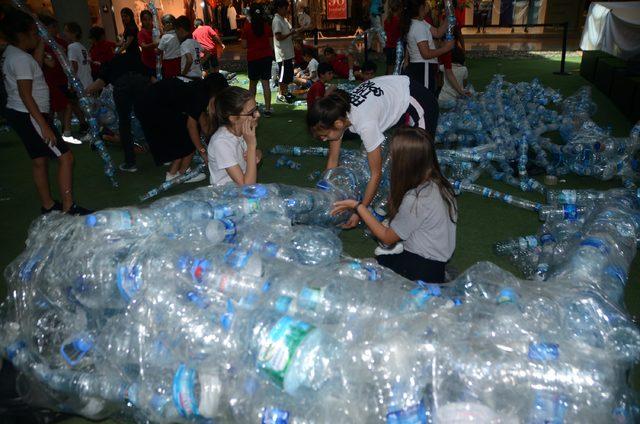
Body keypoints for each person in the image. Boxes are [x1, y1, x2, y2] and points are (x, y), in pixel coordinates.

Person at [307, 75, 437, 228]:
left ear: (338, 123)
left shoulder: (365, 124)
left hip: (417, 99)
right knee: (401, 160)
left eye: (325, 135)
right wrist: (325, 195)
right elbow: (332, 161)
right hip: (393, 92)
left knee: (419, 162)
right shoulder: (338, 113)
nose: (324, 140)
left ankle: (425, 209)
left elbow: (376, 174)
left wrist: (359, 211)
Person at [332, 127, 457, 283]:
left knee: (357, 272)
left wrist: (358, 207)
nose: (389, 159)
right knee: (381, 259)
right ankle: (439, 275)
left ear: (405, 161)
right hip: (435, 261)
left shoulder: (417, 198)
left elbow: (387, 238)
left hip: (420, 267)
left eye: (393, 156)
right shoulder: (440, 185)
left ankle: (429, 283)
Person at [0, 6, 90, 215]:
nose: (36, 35)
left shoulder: (14, 54)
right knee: (66, 158)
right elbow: (25, 94)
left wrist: (41, 42)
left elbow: (36, 67)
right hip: (30, 114)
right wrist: (44, 126)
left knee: (39, 161)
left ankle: (48, 205)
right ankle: (69, 207)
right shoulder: (20, 58)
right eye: (33, 33)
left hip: (21, 113)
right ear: (21, 35)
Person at [135, 73, 228, 182]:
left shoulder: (198, 86)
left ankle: (175, 173)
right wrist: (202, 151)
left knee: (186, 138)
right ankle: (181, 174)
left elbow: (202, 120)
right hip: (151, 108)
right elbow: (191, 127)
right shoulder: (200, 96)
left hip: (146, 101)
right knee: (189, 139)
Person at [86, 50, 153, 172]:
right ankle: (162, 154)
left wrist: (85, 92)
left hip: (122, 87)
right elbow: (150, 76)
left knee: (124, 123)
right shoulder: (133, 60)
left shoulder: (109, 64)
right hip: (142, 84)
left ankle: (130, 163)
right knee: (148, 118)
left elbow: (100, 83)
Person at [208, 86, 262, 186]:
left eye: (256, 108)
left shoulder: (243, 132)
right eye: (252, 112)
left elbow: (253, 155)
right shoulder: (221, 142)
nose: (258, 114)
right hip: (226, 196)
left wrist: (257, 153)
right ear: (233, 118)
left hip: (239, 190)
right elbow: (247, 187)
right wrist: (251, 146)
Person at [400, 0, 454, 93]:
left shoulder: (421, 22)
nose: (428, 5)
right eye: (426, 3)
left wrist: (449, 17)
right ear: (421, 7)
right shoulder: (418, 27)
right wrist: (446, 48)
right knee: (426, 98)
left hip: (423, 67)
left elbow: (437, 33)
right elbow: (426, 54)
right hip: (423, 67)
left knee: (426, 97)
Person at [38, 15, 75, 144]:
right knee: (63, 107)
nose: (55, 29)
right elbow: (50, 63)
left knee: (62, 108)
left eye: (55, 26)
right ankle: (65, 133)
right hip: (49, 82)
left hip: (63, 80)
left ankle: (61, 133)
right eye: (53, 26)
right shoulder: (40, 44)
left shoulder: (61, 43)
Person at [241, 4, 273, 117]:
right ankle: (268, 110)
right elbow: (271, 44)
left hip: (253, 58)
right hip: (266, 57)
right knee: (266, 84)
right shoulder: (267, 26)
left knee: (252, 85)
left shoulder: (247, 27)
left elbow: (244, 45)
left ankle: (251, 110)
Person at [272, 0, 300, 103]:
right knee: (283, 76)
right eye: (285, 8)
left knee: (287, 75)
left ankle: (285, 93)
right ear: (279, 8)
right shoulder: (277, 20)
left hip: (287, 52)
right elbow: (278, 37)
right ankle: (280, 94)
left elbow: (291, 31)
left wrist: (300, 30)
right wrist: (290, 34)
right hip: (282, 53)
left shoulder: (283, 19)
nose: (286, 10)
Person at [64, 22, 93, 90]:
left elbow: (74, 66)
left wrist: (71, 84)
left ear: (73, 33)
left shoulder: (72, 46)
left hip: (81, 85)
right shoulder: (82, 47)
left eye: (66, 31)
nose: (64, 33)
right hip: (88, 83)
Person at [174, 15, 202, 80]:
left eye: (176, 31)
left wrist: (183, 75)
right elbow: (207, 52)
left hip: (189, 77)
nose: (176, 34)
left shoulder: (184, 44)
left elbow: (189, 60)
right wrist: (198, 62)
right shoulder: (195, 42)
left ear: (180, 30)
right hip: (198, 75)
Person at [157, 14, 182, 78]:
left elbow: (159, 51)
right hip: (179, 59)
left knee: (170, 79)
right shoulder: (179, 34)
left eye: (163, 24)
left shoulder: (164, 37)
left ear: (169, 24)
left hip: (169, 62)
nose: (163, 27)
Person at [383, 0, 401, 75]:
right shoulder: (398, 21)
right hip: (395, 47)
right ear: (399, 9)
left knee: (389, 68)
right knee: (395, 69)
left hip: (388, 46)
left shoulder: (387, 20)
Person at [138, 10, 158, 75]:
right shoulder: (141, 33)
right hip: (148, 63)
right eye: (145, 20)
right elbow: (143, 46)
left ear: (152, 19)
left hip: (158, 61)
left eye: (149, 19)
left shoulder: (156, 29)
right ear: (141, 21)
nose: (148, 22)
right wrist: (155, 44)